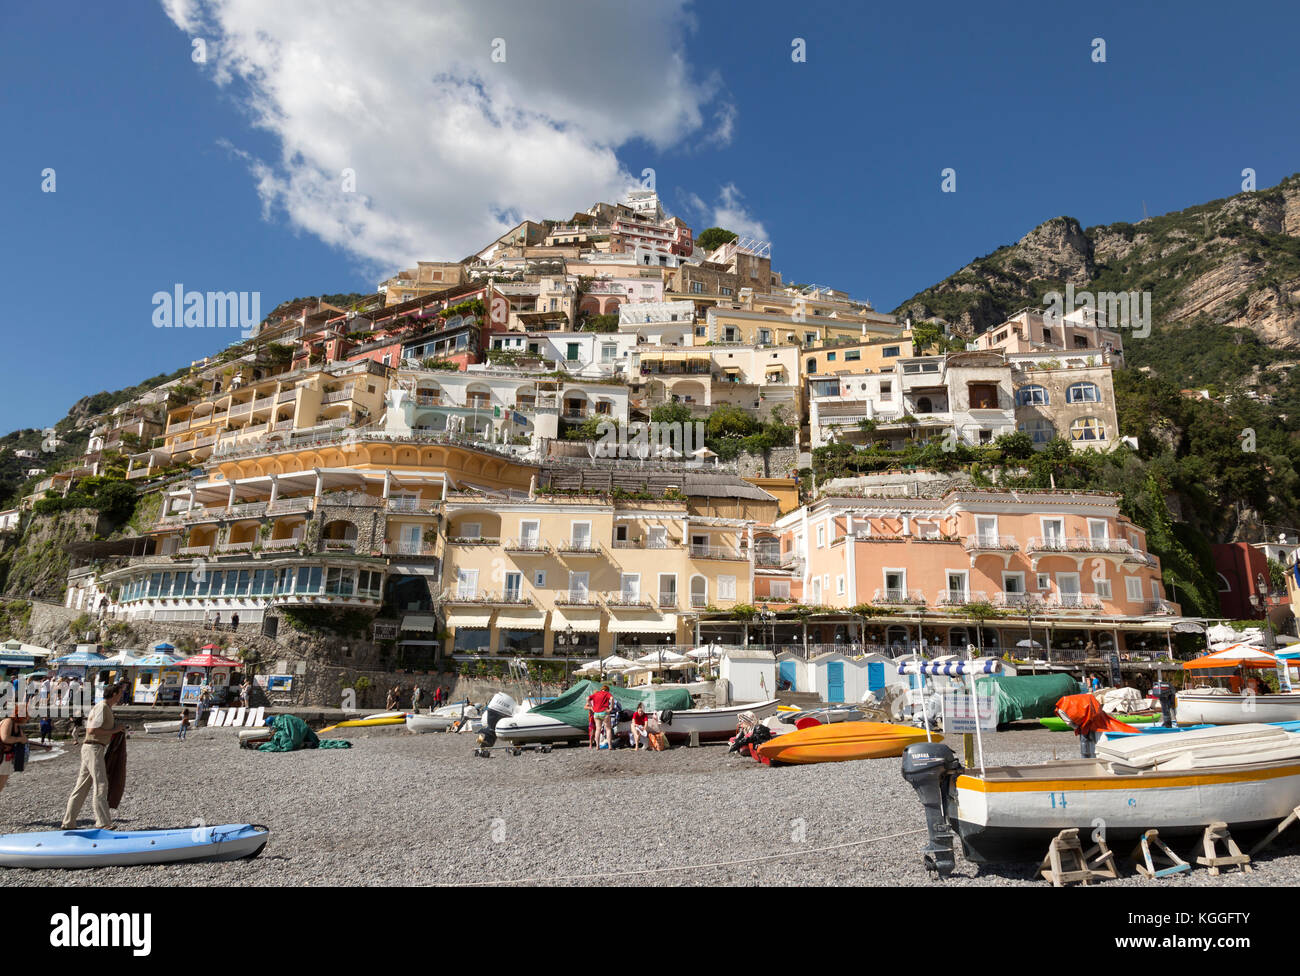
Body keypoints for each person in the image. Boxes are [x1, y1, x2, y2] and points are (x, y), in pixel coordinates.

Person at [61, 681, 127, 829]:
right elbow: (91, 730)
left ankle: (68, 822)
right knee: (101, 783)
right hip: (93, 748)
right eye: (120, 693)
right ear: (115, 694)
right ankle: (103, 822)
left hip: (93, 748)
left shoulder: (105, 708)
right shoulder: (102, 707)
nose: (122, 696)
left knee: (82, 786)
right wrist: (115, 731)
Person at [1, 705, 50, 795]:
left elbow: (27, 742)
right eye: (28, 715)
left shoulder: (18, 728)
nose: (29, 718)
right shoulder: (8, 721)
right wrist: (19, 739)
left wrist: (44, 747)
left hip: (5, 759)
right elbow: (5, 738)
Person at [587, 684, 613, 750]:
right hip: (604, 712)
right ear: (607, 690)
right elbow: (612, 698)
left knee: (598, 729)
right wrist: (610, 708)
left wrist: (591, 707)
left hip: (596, 714)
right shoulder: (606, 693)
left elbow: (587, 698)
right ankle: (610, 746)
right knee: (608, 729)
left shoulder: (596, 693)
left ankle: (597, 746)